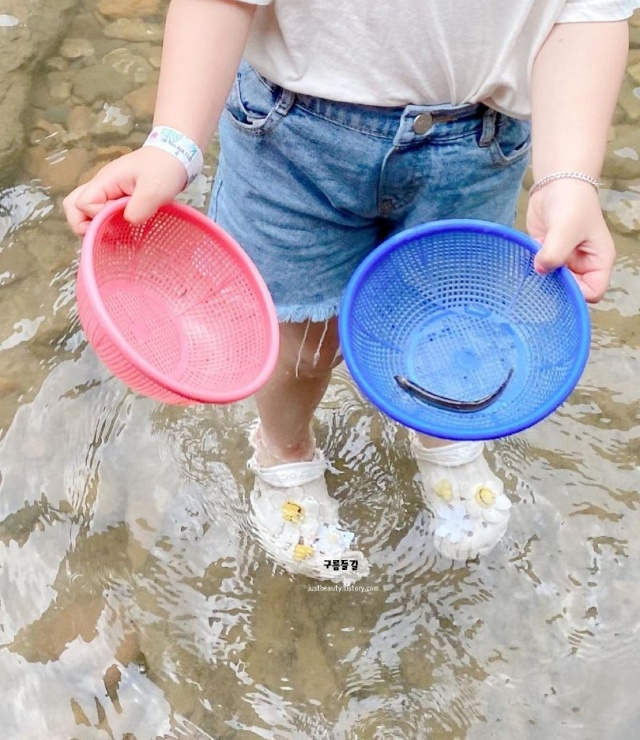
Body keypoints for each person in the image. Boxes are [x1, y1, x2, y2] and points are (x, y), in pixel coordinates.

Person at [64, 0, 634, 576]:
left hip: (479, 142)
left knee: (448, 318)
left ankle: (440, 431)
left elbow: (587, 10)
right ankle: (284, 450)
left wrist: (568, 177)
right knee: (299, 338)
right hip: (292, 137)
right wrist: (174, 145)